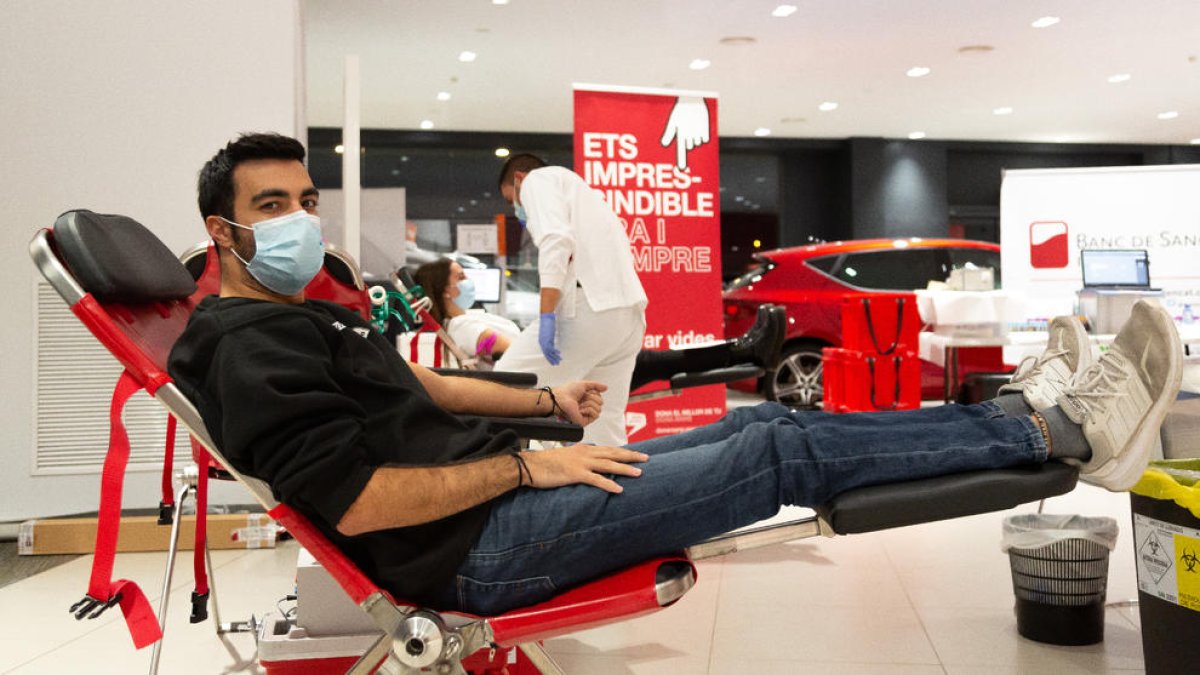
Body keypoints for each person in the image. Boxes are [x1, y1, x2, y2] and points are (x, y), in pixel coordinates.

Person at [168, 133, 1183, 619]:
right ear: (225, 231)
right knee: (779, 443)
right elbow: (361, 499)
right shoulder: (252, 347)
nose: (300, 217)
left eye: (304, 195)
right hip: (479, 550)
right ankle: (1062, 434)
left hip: (502, 496)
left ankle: (1030, 414)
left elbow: (422, 393)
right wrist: (526, 470)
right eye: (274, 205)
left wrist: (542, 410)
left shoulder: (299, 318)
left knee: (756, 434)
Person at [412, 257, 784, 382]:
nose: (468, 281)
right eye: (460, 277)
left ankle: (743, 351)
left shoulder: (473, 317)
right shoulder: (465, 329)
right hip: (558, 378)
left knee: (654, 361)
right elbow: (509, 353)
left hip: (561, 371)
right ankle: (743, 351)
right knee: (652, 362)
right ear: (444, 291)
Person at [495, 153, 647, 446]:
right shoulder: (584, 195)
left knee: (502, 386)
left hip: (588, 309)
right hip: (628, 316)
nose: (518, 209)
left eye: (512, 199)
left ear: (518, 179)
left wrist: (547, 315)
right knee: (601, 426)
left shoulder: (536, 181)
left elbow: (556, 240)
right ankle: (619, 489)